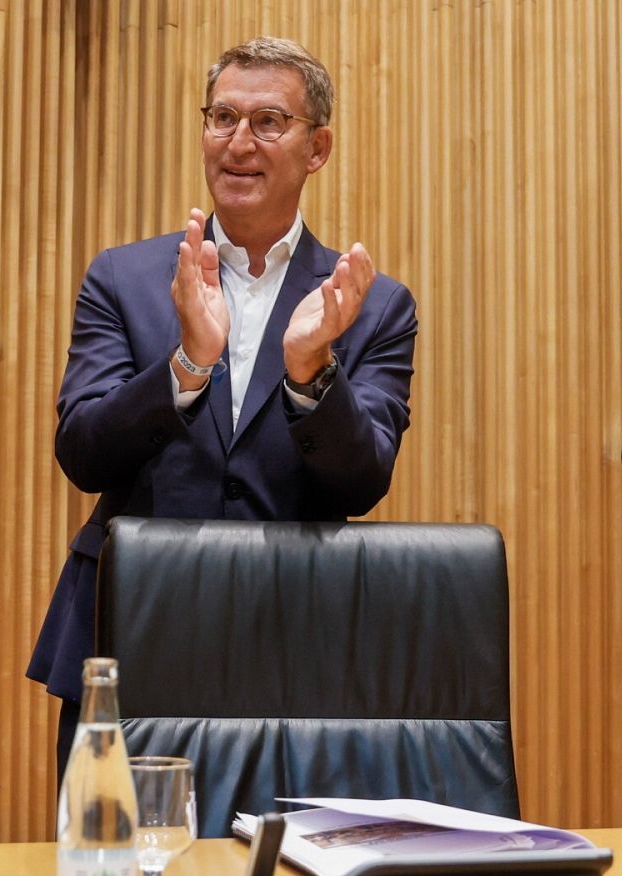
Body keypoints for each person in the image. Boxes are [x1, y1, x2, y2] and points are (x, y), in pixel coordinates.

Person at [30, 37, 418, 774]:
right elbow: (82, 451)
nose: (239, 142)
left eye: (268, 122)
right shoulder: (124, 278)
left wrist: (311, 372)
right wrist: (187, 363)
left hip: (294, 645)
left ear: (318, 148)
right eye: (222, 118)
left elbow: (364, 480)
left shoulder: (369, 304)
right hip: (129, 636)